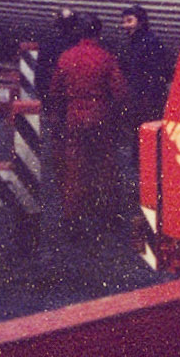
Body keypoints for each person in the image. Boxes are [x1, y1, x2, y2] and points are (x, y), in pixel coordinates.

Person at [45, 13, 127, 245]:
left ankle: (72, 219)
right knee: (105, 165)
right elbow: (120, 91)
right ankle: (109, 215)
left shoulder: (66, 57)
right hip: (100, 116)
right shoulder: (106, 57)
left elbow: (55, 91)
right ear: (98, 32)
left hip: (74, 116)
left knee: (75, 169)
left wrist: (56, 116)